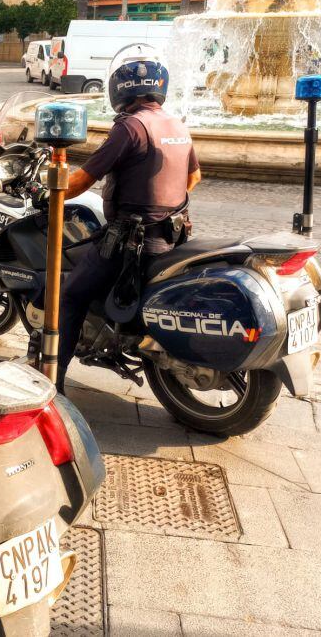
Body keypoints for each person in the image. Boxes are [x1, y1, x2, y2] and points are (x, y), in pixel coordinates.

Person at [56, 44, 201, 390]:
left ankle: (52, 381)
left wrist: (49, 188)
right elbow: (194, 178)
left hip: (130, 243)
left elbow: (81, 181)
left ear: (119, 88)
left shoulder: (131, 127)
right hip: (174, 237)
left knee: (70, 294)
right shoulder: (176, 124)